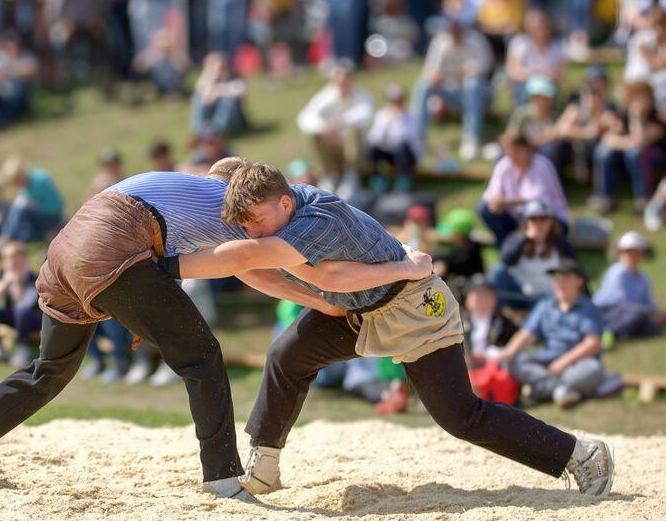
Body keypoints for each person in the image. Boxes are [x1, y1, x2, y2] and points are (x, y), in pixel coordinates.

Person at [0, 158, 380, 501]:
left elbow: (231, 266)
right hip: (112, 245)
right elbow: (258, 271)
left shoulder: (171, 187)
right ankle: (222, 479)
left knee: (46, 372)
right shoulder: (230, 205)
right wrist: (324, 301)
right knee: (202, 357)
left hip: (65, 251)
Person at [159, 163, 614, 498]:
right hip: (357, 308)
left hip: (413, 307)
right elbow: (253, 268)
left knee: (461, 417)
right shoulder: (278, 207)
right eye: (243, 225)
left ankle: (580, 455)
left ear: (283, 202)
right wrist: (320, 302)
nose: (251, 232)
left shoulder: (315, 219)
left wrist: (167, 265)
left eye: (255, 222)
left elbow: (326, 276)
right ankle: (265, 466)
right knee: (286, 355)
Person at [497, 259, 605, 409]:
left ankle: (539, 389)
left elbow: (592, 344)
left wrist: (563, 362)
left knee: (593, 369)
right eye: (557, 279)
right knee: (517, 361)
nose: (560, 283)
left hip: (576, 363)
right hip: (547, 360)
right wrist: (507, 353)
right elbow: (527, 334)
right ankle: (560, 390)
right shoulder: (546, 305)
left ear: (579, 281)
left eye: (565, 278)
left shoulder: (589, 308)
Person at [412, 16, 493, 161]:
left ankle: (471, 137)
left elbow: (482, 69)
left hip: (479, 94)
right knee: (424, 85)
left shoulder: (477, 40)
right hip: (450, 92)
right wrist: (437, 76)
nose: (454, 30)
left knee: (472, 84)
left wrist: (453, 74)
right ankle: (417, 137)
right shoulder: (439, 42)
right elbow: (429, 71)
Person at [478, 131, 570, 247]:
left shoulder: (542, 165)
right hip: (518, 219)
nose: (511, 154)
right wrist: (495, 203)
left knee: (533, 210)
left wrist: (506, 202)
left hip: (550, 219)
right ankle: (507, 246)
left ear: (526, 148)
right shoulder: (504, 164)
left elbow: (538, 199)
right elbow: (492, 192)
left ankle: (524, 247)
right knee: (484, 208)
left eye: (515, 150)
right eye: (508, 150)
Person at [296, 61, 373, 197]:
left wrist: (338, 125)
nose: (342, 84)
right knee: (315, 135)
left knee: (353, 132)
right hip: (332, 147)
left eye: (345, 80)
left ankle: (351, 177)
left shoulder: (361, 95)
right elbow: (304, 118)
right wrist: (323, 128)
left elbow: (366, 115)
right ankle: (328, 177)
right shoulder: (325, 97)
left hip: (357, 151)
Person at [591, 81, 666, 214]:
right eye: (636, 97)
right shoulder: (622, 115)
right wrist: (626, 143)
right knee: (603, 152)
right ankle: (606, 199)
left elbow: (640, 140)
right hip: (626, 155)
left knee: (635, 153)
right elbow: (608, 138)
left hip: (656, 158)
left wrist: (636, 117)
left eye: (643, 96)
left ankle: (643, 199)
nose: (639, 101)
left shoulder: (656, 117)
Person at [489, 199, 577, 309]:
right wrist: (525, 239)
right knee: (498, 271)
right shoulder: (515, 239)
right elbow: (505, 261)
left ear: (551, 221)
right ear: (526, 222)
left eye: (543, 219)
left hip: (551, 296)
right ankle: (496, 312)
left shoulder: (561, 243)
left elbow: (574, 270)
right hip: (522, 295)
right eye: (533, 219)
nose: (538, 224)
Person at [0, 243, 43, 368]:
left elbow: (24, 304)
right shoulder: (3, 276)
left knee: (21, 311)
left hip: (33, 319)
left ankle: (23, 348)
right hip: (13, 315)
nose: (12, 264)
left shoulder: (32, 278)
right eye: (8, 260)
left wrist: (17, 283)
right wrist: (4, 284)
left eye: (16, 261)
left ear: (24, 261)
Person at [593, 231, 665, 340]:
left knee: (653, 326)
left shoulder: (643, 278)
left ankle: (621, 333)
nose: (632, 256)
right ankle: (608, 332)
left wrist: (657, 313)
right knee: (637, 315)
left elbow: (649, 303)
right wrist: (647, 312)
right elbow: (620, 302)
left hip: (632, 313)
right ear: (620, 254)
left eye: (636, 253)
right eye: (628, 252)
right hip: (607, 312)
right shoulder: (617, 272)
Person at [553, 66, 616, 184]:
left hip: (598, 146)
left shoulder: (610, 107)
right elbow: (560, 129)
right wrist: (586, 132)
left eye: (600, 81)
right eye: (592, 81)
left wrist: (597, 115)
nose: (596, 85)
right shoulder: (576, 105)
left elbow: (614, 128)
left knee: (603, 151)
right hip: (578, 148)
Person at [0, 156, 64, 247]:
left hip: (51, 216)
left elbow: (56, 206)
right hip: (39, 218)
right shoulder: (24, 187)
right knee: (19, 208)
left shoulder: (40, 180)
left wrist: (32, 205)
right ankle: (12, 235)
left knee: (20, 207)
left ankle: (7, 235)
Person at [0, 31, 39, 128]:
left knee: (20, 86)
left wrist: (6, 73)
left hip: (18, 93)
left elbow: (31, 69)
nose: (10, 48)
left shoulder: (26, 56)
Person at [366, 84, 421, 193]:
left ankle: (404, 181)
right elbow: (374, 138)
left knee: (402, 147)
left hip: (407, 155)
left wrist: (399, 120)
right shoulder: (382, 115)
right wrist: (387, 122)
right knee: (373, 149)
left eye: (399, 101)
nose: (396, 104)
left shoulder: (411, 115)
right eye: (393, 101)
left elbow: (407, 137)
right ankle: (377, 180)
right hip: (389, 153)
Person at [505, 8, 565, 104]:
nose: (539, 29)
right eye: (535, 27)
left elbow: (562, 73)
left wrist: (534, 72)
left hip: (550, 87)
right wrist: (541, 72)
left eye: (542, 25)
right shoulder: (519, 43)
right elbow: (513, 71)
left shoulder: (559, 45)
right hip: (525, 86)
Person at [462, 277, 519, 368]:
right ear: (467, 300)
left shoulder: (504, 321)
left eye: (486, 296)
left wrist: (491, 355)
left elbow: (512, 345)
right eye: (478, 296)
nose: (482, 301)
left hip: (495, 366)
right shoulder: (459, 321)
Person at [190, 52, 248, 136]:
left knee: (227, 101)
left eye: (221, 69)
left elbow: (240, 91)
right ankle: (200, 131)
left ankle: (217, 131)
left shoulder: (235, 80)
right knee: (198, 98)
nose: (218, 72)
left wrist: (217, 92)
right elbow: (204, 95)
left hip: (233, 122)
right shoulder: (208, 82)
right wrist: (211, 78)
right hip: (211, 118)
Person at [432, 208, 484, 286]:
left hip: (469, 286)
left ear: (458, 235)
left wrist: (443, 264)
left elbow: (448, 263)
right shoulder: (457, 246)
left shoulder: (468, 253)